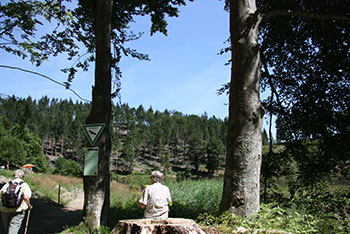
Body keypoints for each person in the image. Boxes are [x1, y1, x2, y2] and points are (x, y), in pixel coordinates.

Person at [0, 169, 32, 234]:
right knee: (14, 226)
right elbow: (26, 197)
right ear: (22, 176)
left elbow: (1, 195)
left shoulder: (7, 185)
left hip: (5, 209)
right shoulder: (24, 185)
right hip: (18, 209)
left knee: (7, 227)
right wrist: (29, 205)